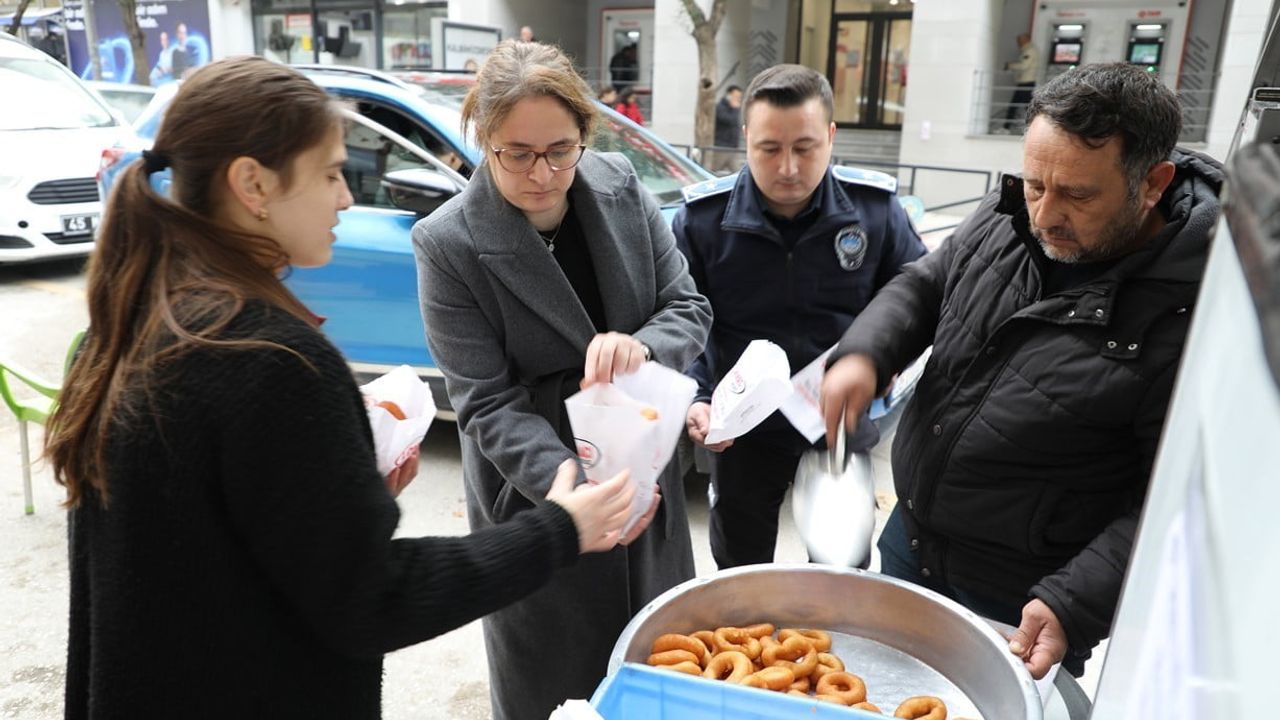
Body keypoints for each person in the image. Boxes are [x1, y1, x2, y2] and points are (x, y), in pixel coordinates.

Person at [44, 56, 641, 718]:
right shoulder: (272, 361)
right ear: (253, 184)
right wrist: (558, 529)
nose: (347, 197)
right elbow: (372, 599)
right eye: (330, 172)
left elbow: (206, 549)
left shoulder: (129, 327)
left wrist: (334, 497)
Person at [820, 63, 1223, 680]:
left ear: (1153, 184)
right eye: (1035, 184)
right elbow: (927, 285)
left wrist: (1074, 602)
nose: (1044, 214)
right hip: (911, 541)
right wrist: (865, 354)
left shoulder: (1197, 315)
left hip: (1028, 597)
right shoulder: (1009, 213)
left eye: (1078, 195)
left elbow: (1174, 502)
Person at [412, 40, 711, 720]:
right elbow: (484, 402)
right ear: (483, 141)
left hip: (643, 475)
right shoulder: (447, 242)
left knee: (660, 672)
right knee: (554, 689)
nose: (542, 173)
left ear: (585, 136)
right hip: (541, 497)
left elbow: (688, 307)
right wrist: (573, 490)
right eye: (516, 153)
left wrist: (640, 347)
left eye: (560, 149)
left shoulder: (617, 185)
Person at [674, 64, 926, 571]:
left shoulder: (874, 212)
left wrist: (884, 360)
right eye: (769, 149)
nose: (788, 167)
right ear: (746, 139)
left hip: (836, 418)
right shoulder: (703, 221)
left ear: (831, 137)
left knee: (840, 574)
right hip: (743, 424)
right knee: (740, 573)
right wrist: (696, 396)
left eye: (805, 148)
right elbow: (685, 320)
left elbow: (917, 298)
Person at [1003, 32, 1040, 131]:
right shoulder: (1028, 50)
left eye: (1019, 40)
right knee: (1027, 107)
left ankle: (1006, 127)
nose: (1018, 43)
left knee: (1015, 105)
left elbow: (1024, 66)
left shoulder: (1030, 51)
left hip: (1026, 83)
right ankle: (1034, 126)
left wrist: (1010, 65)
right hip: (1026, 82)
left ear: (1026, 40)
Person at [712, 84, 743, 173]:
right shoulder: (720, 107)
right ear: (729, 95)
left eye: (739, 97)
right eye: (736, 96)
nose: (738, 99)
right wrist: (735, 109)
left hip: (733, 147)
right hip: (721, 147)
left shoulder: (733, 109)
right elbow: (729, 120)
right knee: (713, 171)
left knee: (738, 173)